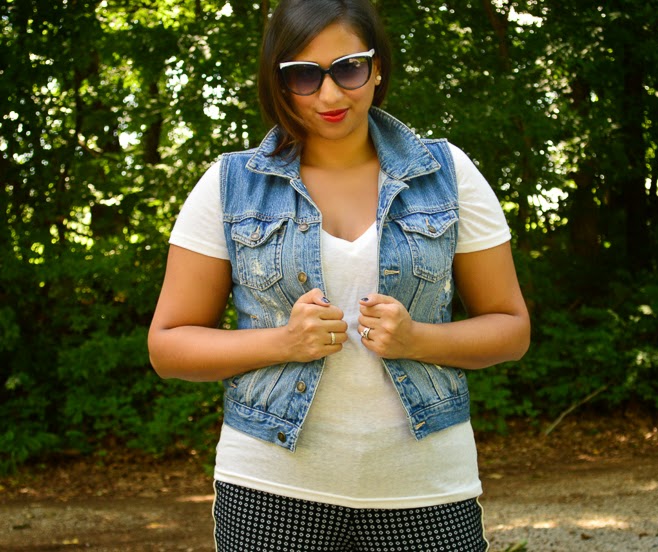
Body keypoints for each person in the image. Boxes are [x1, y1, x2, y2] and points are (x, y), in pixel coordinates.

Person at [148, 0, 530, 549]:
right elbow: (168, 347)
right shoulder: (229, 184)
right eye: (304, 75)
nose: (330, 95)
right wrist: (283, 341)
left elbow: (511, 329)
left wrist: (418, 338)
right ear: (278, 82)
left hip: (426, 491)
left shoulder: (449, 174)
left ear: (377, 69)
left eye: (348, 68)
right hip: (270, 492)